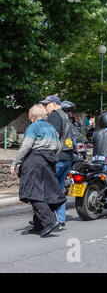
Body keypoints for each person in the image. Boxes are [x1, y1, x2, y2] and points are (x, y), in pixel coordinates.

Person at [10, 104, 65, 237]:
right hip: (48, 161)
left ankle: (49, 221)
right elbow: (58, 146)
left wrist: (15, 163)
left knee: (32, 193)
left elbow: (26, 146)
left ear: (33, 115)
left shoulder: (33, 127)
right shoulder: (51, 127)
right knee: (45, 191)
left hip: (34, 161)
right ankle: (38, 224)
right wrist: (51, 157)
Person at [40, 95, 77, 229]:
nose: (45, 107)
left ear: (54, 104)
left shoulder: (55, 115)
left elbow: (54, 135)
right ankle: (60, 220)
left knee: (47, 188)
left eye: (47, 105)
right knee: (59, 189)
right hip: (67, 157)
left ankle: (47, 220)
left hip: (57, 157)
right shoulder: (66, 116)